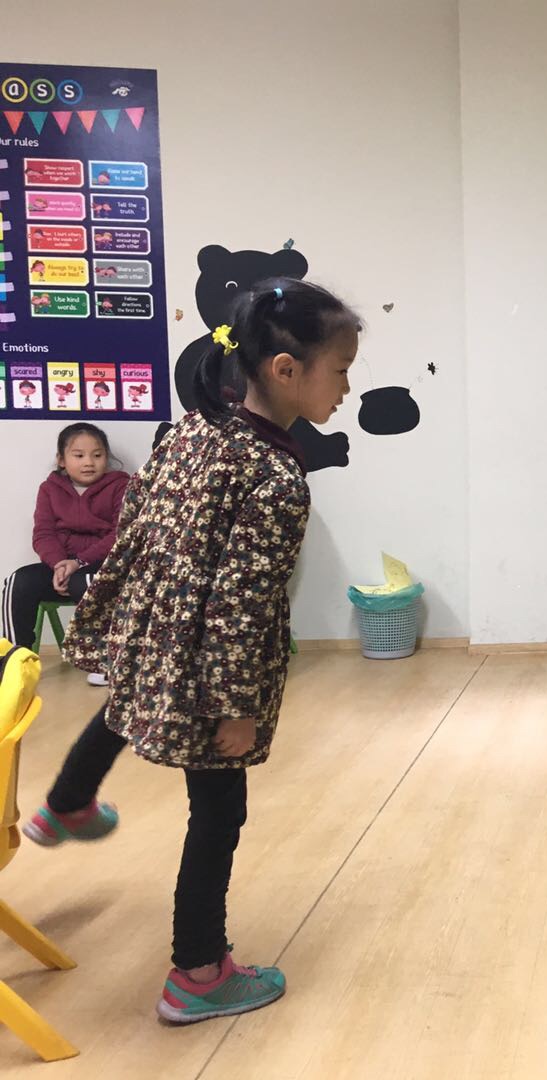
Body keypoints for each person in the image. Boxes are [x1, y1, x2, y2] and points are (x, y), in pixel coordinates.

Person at [22, 278, 358, 1024]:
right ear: (286, 370)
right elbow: (243, 603)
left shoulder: (193, 429)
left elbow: (137, 525)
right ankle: (198, 973)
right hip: (209, 663)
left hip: (155, 631)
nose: (346, 388)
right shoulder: (276, 477)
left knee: (126, 705)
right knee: (218, 811)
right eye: (340, 370)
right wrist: (235, 706)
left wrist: (124, 623)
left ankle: (66, 804)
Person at [2, 423, 128, 686]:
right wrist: (59, 564)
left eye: (97, 455)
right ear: (62, 460)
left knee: (85, 581)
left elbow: (120, 534)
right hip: (60, 565)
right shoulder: (49, 489)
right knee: (17, 581)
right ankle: (13, 660)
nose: (89, 462)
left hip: (101, 566)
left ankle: (105, 660)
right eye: (79, 455)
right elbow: (43, 533)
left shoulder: (121, 485)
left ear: (106, 457)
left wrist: (79, 563)